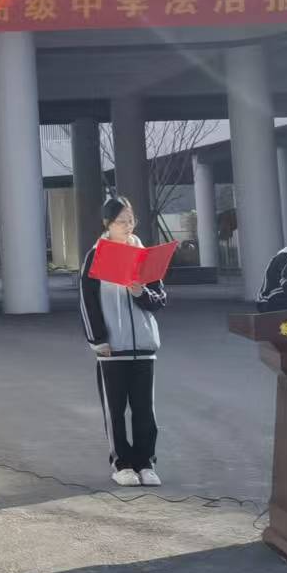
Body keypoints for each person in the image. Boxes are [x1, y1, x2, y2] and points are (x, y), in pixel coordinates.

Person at [79, 194, 168, 488]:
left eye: (131, 220)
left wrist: (141, 293)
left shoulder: (145, 255)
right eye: (121, 221)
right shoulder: (96, 256)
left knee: (145, 410)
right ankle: (122, 464)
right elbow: (88, 302)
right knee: (115, 411)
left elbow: (159, 300)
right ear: (107, 223)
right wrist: (97, 339)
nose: (128, 226)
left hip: (143, 346)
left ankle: (146, 463)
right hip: (112, 348)